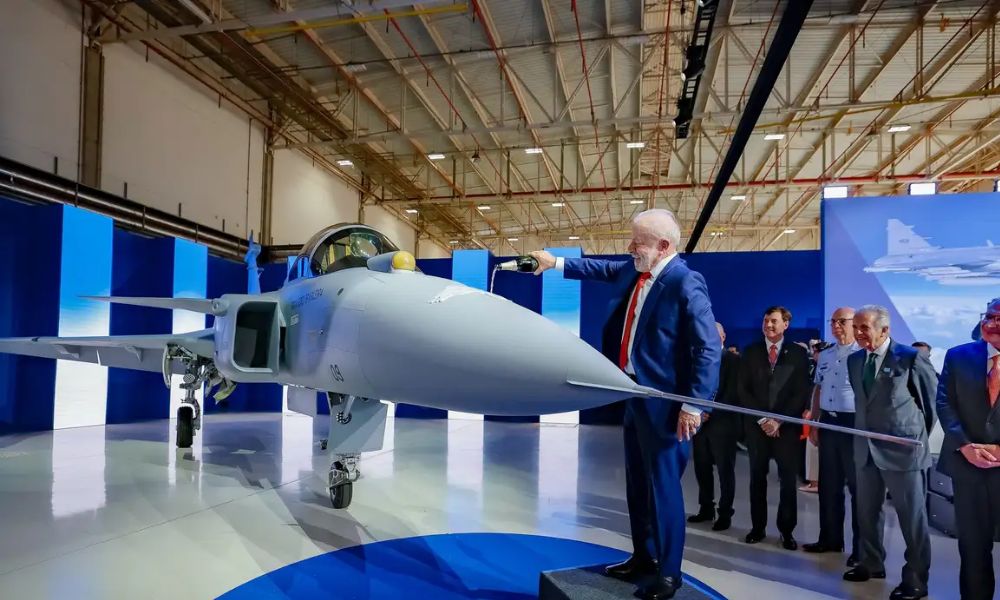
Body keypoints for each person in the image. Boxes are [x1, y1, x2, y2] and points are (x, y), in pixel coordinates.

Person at [530, 209, 720, 600]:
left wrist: (694, 405)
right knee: (637, 484)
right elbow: (599, 268)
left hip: (667, 408)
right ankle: (643, 558)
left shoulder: (685, 281)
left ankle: (669, 574)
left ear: (663, 246)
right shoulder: (637, 270)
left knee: (663, 490)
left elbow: (707, 348)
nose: (630, 247)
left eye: (638, 242)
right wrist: (554, 262)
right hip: (633, 395)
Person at [844, 305, 936, 600]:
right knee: (867, 513)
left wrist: (912, 438)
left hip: (903, 451)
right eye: (855, 327)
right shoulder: (855, 360)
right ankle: (871, 563)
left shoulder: (910, 358)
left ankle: (916, 579)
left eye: (864, 327)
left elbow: (930, 405)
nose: (858, 333)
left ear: (884, 329)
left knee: (912, 520)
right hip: (865, 449)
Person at [936, 297, 1000, 600]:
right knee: (973, 546)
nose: (992, 323)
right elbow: (944, 403)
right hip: (968, 466)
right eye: (989, 316)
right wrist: (964, 445)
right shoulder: (958, 356)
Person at [739, 306, 812, 550]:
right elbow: (743, 390)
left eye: (773, 321)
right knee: (757, 478)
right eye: (765, 321)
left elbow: (800, 392)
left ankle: (787, 531)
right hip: (757, 428)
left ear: (785, 324)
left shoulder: (798, 354)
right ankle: (757, 528)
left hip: (786, 429)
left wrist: (779, 421)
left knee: (788, 481)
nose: (768, 325)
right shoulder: (750, 352)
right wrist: (763, 420)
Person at [803, 307, 861, 567]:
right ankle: (829, 538)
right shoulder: (826, 354)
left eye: (842, 322)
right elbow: (819, 388)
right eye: (833, 321)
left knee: (859, 490)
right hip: (828, 421)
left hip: (853, 425)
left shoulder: (863, 354)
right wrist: (815, 422)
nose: (836, 326)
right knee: (828, 485)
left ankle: (861, 549)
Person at [689, 322, 741, 532]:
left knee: (725, 470)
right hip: (700, 423)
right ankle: (706, 508)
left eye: (714, 333)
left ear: (723, 336)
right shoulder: (698, 359)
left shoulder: (734, 360)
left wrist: (709, 410)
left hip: (723, 424)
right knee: (701, 467)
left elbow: (733, 392)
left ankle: (725, 513)